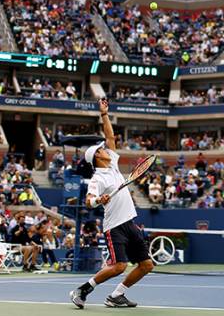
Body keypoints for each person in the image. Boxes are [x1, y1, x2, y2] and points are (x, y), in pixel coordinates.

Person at [70, 99, 154, 309]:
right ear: (98, 156)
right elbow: (89, 202)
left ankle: (117, 295)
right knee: (119, 266)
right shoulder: (98, 178)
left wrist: (104, 114)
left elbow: (110, 136)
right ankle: (82, 290)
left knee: (146, 265)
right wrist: (99, 199)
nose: (106, 148)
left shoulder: (113, 163)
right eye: (102, 149)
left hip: (130, 223)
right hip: (115, 226)